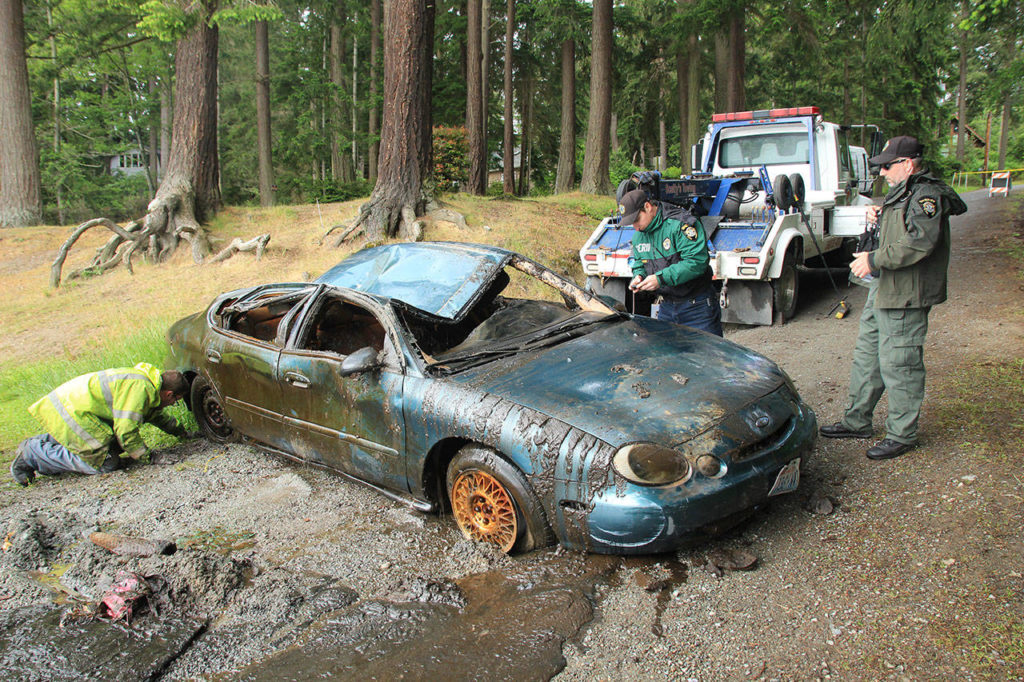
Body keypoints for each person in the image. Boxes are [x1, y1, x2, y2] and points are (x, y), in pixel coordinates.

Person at [819, 136, 967, 460]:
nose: (882, 172)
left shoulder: (926, 195)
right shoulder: (901, 192)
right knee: (867, 356)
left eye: (887, 166)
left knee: (900, 363)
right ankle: (857, 421)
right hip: (883, 289)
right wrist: (881, 214)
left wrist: (872, 260)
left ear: (908, 164)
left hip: (906, 294)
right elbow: (900, 226)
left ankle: (902, 434)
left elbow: (918, 244)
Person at [10, 363, 191, 485]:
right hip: (73, 413)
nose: (172, 404)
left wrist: (181, 432)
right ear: (169, 394)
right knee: (107, 463)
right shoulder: (140, 390)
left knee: (108, 446)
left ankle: (41, 443)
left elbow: (156, 416)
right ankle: (33, 453)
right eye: (175, 400)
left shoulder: (148, 384)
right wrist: (149, 457)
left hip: (70, 410)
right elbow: (126, 431)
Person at [621, 189, 723, 336]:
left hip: (697, 307)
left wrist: (660, 278)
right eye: (631, 223)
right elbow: (639, 262)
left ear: (648, 207)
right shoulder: (639, 236)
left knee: (709, 356)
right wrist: (639, 276)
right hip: (667, 307)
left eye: (636, 220)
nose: (635, 227)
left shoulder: (680, 224)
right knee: (667, 356)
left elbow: (696, 262)